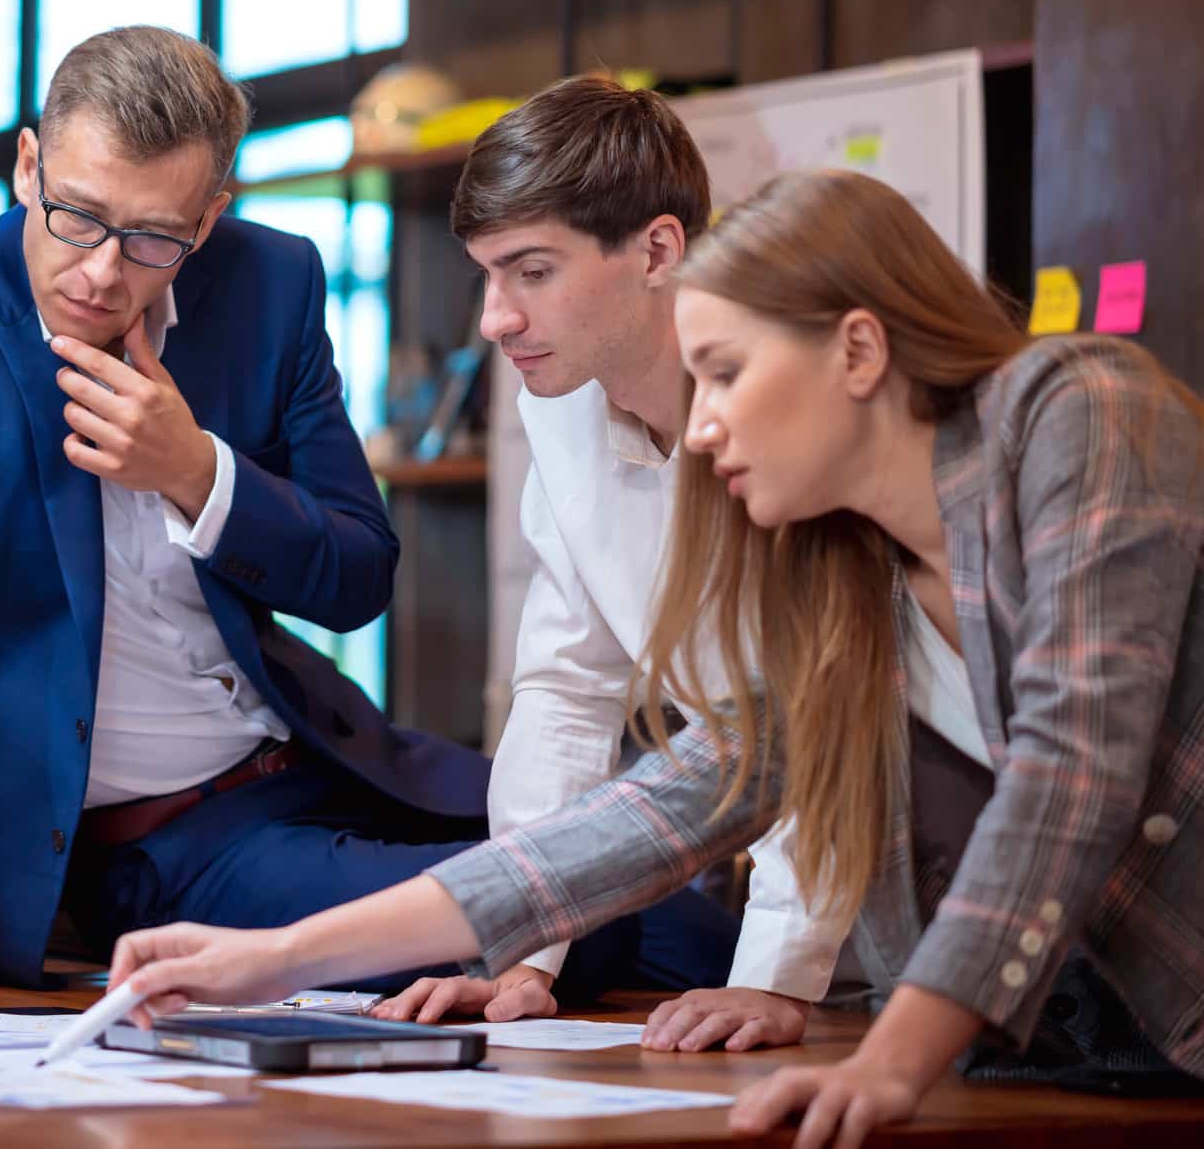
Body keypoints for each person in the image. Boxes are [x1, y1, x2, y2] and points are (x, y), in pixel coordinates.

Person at [106, 169, 1204, 1146]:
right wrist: (274, 960)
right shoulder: (842, 574)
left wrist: (889, 1056)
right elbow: (645, 818)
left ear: (858, 350)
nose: (704, 427)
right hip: (1066, 1054)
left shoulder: (1079, 413)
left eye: (723, 374)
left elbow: (1070, 772)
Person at [0, 25, 493, 1003]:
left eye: (153, 238)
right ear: (28, 166)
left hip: (311, 764)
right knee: (577, 914)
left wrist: (197, 472)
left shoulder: (268, 282)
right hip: (156, 847)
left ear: (208, 218)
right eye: (76, 216)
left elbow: (357, 574)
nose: (102, 273)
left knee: (625, 869)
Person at [371, 77, 841, 1051]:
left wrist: (774, 978)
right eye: (484, 275)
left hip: (931, 887)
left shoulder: (793, 400)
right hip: (782, 874)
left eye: (530, 271)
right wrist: (518, 954)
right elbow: (566, 685)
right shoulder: (557, 399)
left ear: (657, 250)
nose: (494, 318)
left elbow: (840, 714)